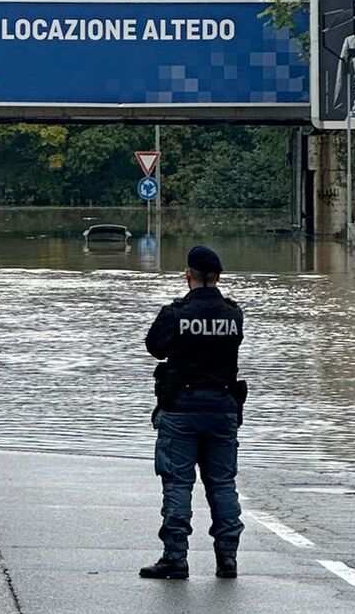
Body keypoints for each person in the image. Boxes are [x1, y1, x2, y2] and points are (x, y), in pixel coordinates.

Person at [140, 245, 246, 581]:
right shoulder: (233, 314)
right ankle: (227, 559)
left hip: (181, 410)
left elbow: (154, 346)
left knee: (178, 484)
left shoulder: (176, 313)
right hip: (223, 408)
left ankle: (175, 558)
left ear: (188, 275)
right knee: (222, 484)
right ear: (217, 277)